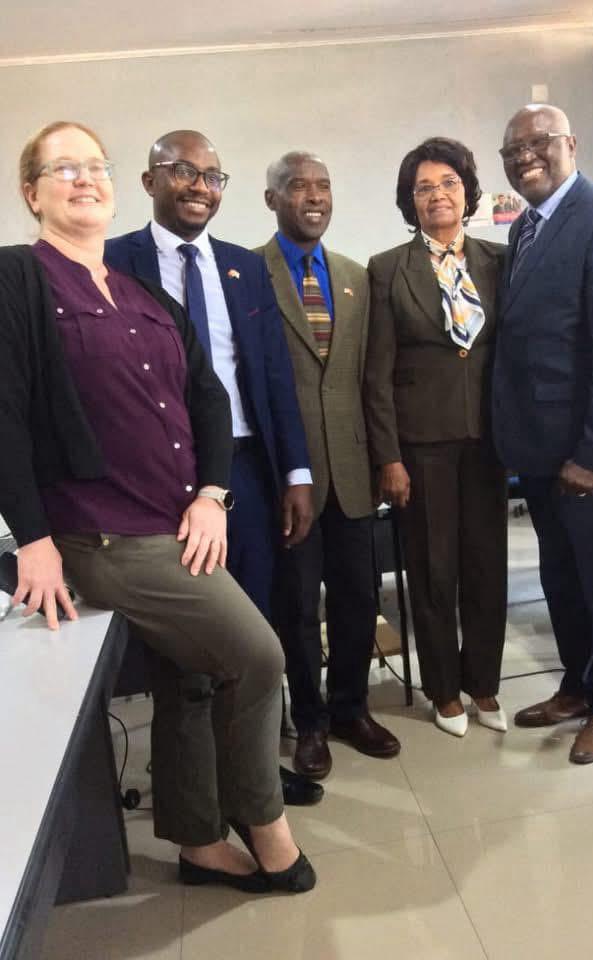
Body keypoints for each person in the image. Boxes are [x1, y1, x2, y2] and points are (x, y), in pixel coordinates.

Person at [0, 120, 315, 892]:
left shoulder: (142, 293)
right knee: (257, 655)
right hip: (104, 534)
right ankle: (264, 822)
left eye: (94, 165)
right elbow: (2, 414)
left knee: (191, 674)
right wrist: (32, 539)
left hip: (180, 520)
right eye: (63, 168)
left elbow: (208, 398)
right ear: (31, 193)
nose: (84, 178)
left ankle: (198, 841)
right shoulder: (17, 278)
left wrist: (211, 494)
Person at [105, 130, 323, 808]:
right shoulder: (112, 262)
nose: (200, 186)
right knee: (185, 647)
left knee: (253, 629)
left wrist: (295, 473)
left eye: (212, 176)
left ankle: (253, 779)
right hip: (163, 480)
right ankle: (196, 793)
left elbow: (273, 374)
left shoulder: (243, 268)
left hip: (247, 470)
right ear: (149, 182)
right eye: (183, 171)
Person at [492, 104, 593, 763]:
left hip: (589, 450)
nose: (525, 156)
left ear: (571, 144)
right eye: (512, 150)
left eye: (539, 142)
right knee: (560, 577)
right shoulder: (524, 230)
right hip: (537, 448)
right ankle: (578, 685)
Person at [256, 151, 400, 778]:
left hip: (354, 471)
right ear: (272, 199)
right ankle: (309, 721)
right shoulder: (248, 273)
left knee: (357, 598)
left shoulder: (354, 277)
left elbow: (371, 379)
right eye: (298, 187)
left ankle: (350, 708)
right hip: (289, 478)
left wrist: (387, 458)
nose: (313, 197)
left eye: (323, 186)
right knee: (295, 605)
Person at [364, 137, 508, 738]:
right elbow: (376, 374)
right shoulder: (387, 269)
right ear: (411, 201)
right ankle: (444, 690)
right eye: (424, 188)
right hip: (421, 448)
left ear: (467, 192)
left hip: (489, 443)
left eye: (448, 183)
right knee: (431, 571)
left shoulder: (500, 260)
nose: (438, 195)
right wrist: (389, 458)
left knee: (486, 568)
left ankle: (484, 684)